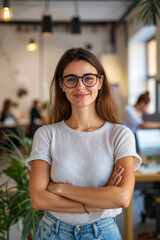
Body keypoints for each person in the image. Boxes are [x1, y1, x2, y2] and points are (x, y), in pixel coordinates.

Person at [25, 47, 141, 240]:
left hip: (103, 232)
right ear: (62, 85)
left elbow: (121, 198)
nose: (80, 87)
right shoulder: (46, 134)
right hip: (53, 232)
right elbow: (38, 199)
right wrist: (97, 201)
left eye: (88, 78)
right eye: (71, 79)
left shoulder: (120, 134)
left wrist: (61, 189)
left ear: (100, 82)